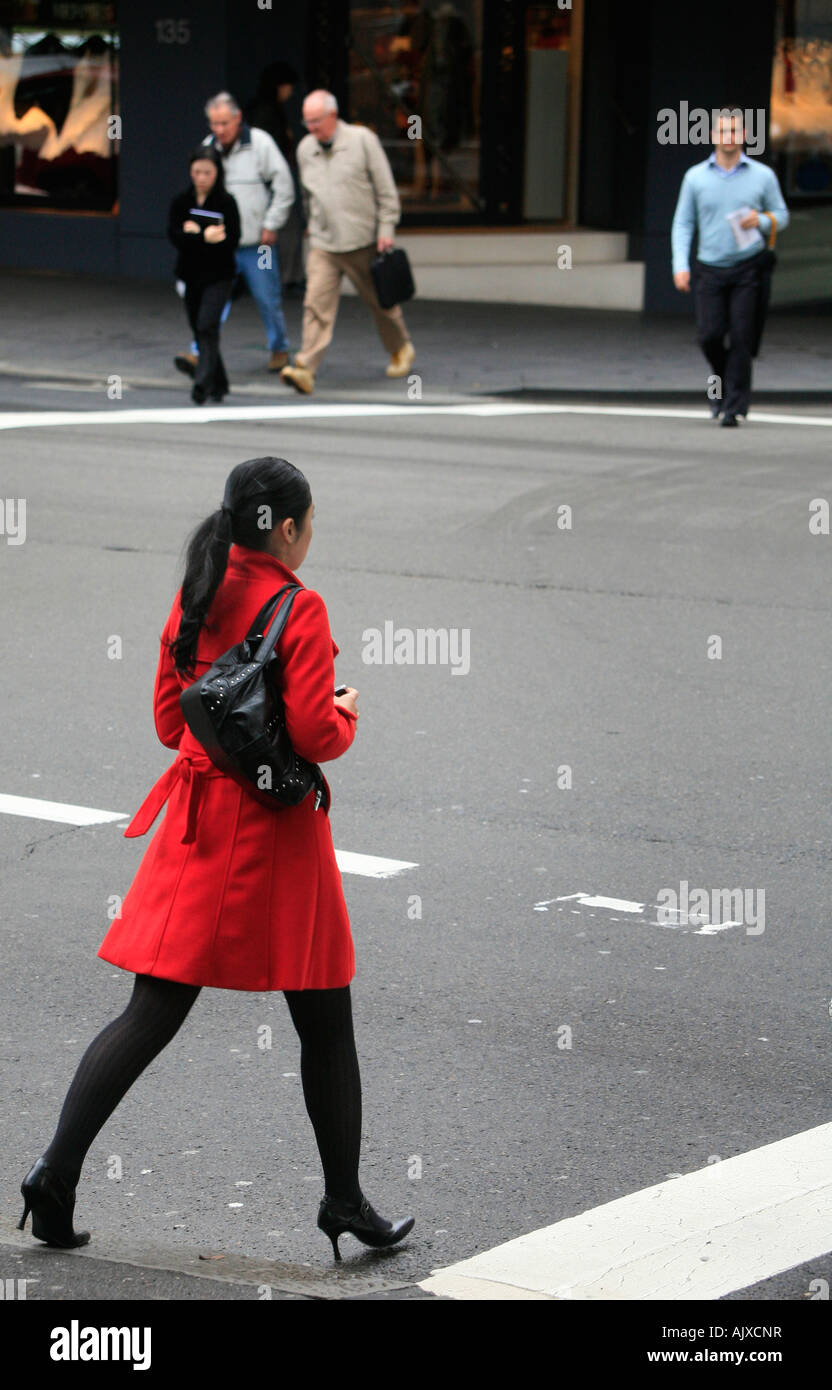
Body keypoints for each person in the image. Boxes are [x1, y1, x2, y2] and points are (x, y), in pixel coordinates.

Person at [17, 456, 415, 1263]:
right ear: (291, 528)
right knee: (324, 1017)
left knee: (151, 1011)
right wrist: (343, 716)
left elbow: (171, 723)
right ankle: (343, 1200)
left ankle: (54, 1175)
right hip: (276, 836)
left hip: (199, 824)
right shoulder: (299, 606)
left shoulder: (199, 590)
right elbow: (310, 735)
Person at [280, 89, 415, 395]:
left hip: (363, 239)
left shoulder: (361, 140)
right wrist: (312, 228)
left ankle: (401, 347)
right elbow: (307, 196)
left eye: (316, 121)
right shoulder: (305, 149)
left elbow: (385, 189)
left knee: (381, 303)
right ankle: (305, 368)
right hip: (324, 244)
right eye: (307, 121)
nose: (311, 127)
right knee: (315, 304)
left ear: (332, 116)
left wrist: (386, 229)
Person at [671, 104, 789, 427]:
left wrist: (762, 220)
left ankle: (733, 406)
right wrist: (680, 265)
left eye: (735, 131)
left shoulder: (762, 176)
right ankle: (721, 384)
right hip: (709, 268)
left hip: (747, 267)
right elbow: (683, 223)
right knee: (710, 336)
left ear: (745, 136)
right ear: (713, 136)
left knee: (741, 337)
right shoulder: (694, 178)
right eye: (724, 131)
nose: (729, 136)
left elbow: (782, 215)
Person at [176, 91, 295, 378]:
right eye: (214, 124)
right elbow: (199, 193)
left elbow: (284, 185)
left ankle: (279, 348)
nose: (219, 130)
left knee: (268, 297)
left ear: (238, 118)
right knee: (216, 300)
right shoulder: (208, 148)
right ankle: (198, 351)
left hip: (259, 244)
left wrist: (272, 223)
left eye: (224, 123)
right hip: (221, 247)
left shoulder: (260, 143)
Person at [167, 146, 240, 403]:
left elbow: (232, 239)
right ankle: (219, 383)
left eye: (207, 172)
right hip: (190, 275)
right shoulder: (182, 202)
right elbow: (175, 236)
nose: (201, 177)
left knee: (207, 324)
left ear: (217, 173)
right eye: (197, 171)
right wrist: (202, 237)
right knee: (198, 328)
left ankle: (203, 381)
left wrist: (199, 236)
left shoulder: (226, 203)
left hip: (219, 276)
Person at [245, 60, 306, 292]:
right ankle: (284, 278)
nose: (290, 91)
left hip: (266, 182)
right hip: (273, 181)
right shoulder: (268, 113)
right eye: (288, 86)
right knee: (283, 229)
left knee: (269, 231)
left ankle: (268, 276)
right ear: (280, 86)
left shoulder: (260, 109)